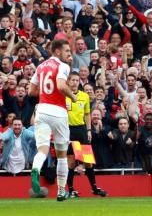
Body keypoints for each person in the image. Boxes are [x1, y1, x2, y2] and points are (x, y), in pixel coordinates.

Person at [28, 39, 77, 201]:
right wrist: (74, 97)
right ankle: (61, 191)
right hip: (58, 112)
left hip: (41, 111)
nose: (68, 55)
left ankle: (35, 169)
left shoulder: (41, 66)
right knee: (62, 155)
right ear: (57, 51)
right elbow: (62, 86)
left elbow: (30, 91)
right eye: (66, 51)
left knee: (42, 149)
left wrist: (45, 92)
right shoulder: (62, 66)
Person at [65, 72, 107, 198]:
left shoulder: (84, 96)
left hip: (81, 130)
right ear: (67, 81)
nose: (75, 82)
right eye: (72, 80)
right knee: (71, 163)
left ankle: (94, 188)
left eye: (77, 80)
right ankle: (71, 189)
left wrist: (88, 130)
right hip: (68, 131)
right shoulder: (63, 96)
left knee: (88, 161)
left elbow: (87, 114)